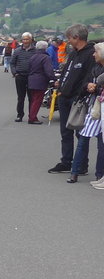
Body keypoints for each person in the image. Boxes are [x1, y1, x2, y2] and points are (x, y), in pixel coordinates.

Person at [48, 24, 95, 174]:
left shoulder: (90, 54)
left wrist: (79, 94)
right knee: (65, 132)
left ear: (76, 37)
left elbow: (88, 77)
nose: (68, 41)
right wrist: (61, 85)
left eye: (69, 38)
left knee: (80, 133)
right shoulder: (74, 53)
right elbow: (66, 72)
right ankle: (66, 161)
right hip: (64, 96)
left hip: (78, 99)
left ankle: (81, 164)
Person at [67, 41, 104, 183]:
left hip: (100, 108)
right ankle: (75, 172)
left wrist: (96, 89)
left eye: (96, 52)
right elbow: (83, 84)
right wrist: (87, 86)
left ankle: (99, 175)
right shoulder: (94, 67)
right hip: (91, 107)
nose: (93, 54)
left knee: (101, 144)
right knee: (83, 140)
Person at [10, 32, 39, 122]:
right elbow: (12, 63)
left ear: (31, 40)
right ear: (22, 40)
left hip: (31, 77)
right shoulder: (17, 51)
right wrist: (15, 73)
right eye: (24, 39)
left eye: (27, 39)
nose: (25, 41)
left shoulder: (36, 51)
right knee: (20, 97)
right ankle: (20, 115)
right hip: (20, 76)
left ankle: (32, 116)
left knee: (32, 97)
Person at [26, 40, 54, 123]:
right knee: (37, 100)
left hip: (31, 80)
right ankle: (32, 118)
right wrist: (54, 78)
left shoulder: (32, 57)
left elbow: (28, 68)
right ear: (45, 48)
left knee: (33, 99)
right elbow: (48, 71)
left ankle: (32, 116)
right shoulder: (46, 58)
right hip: (40, 81)